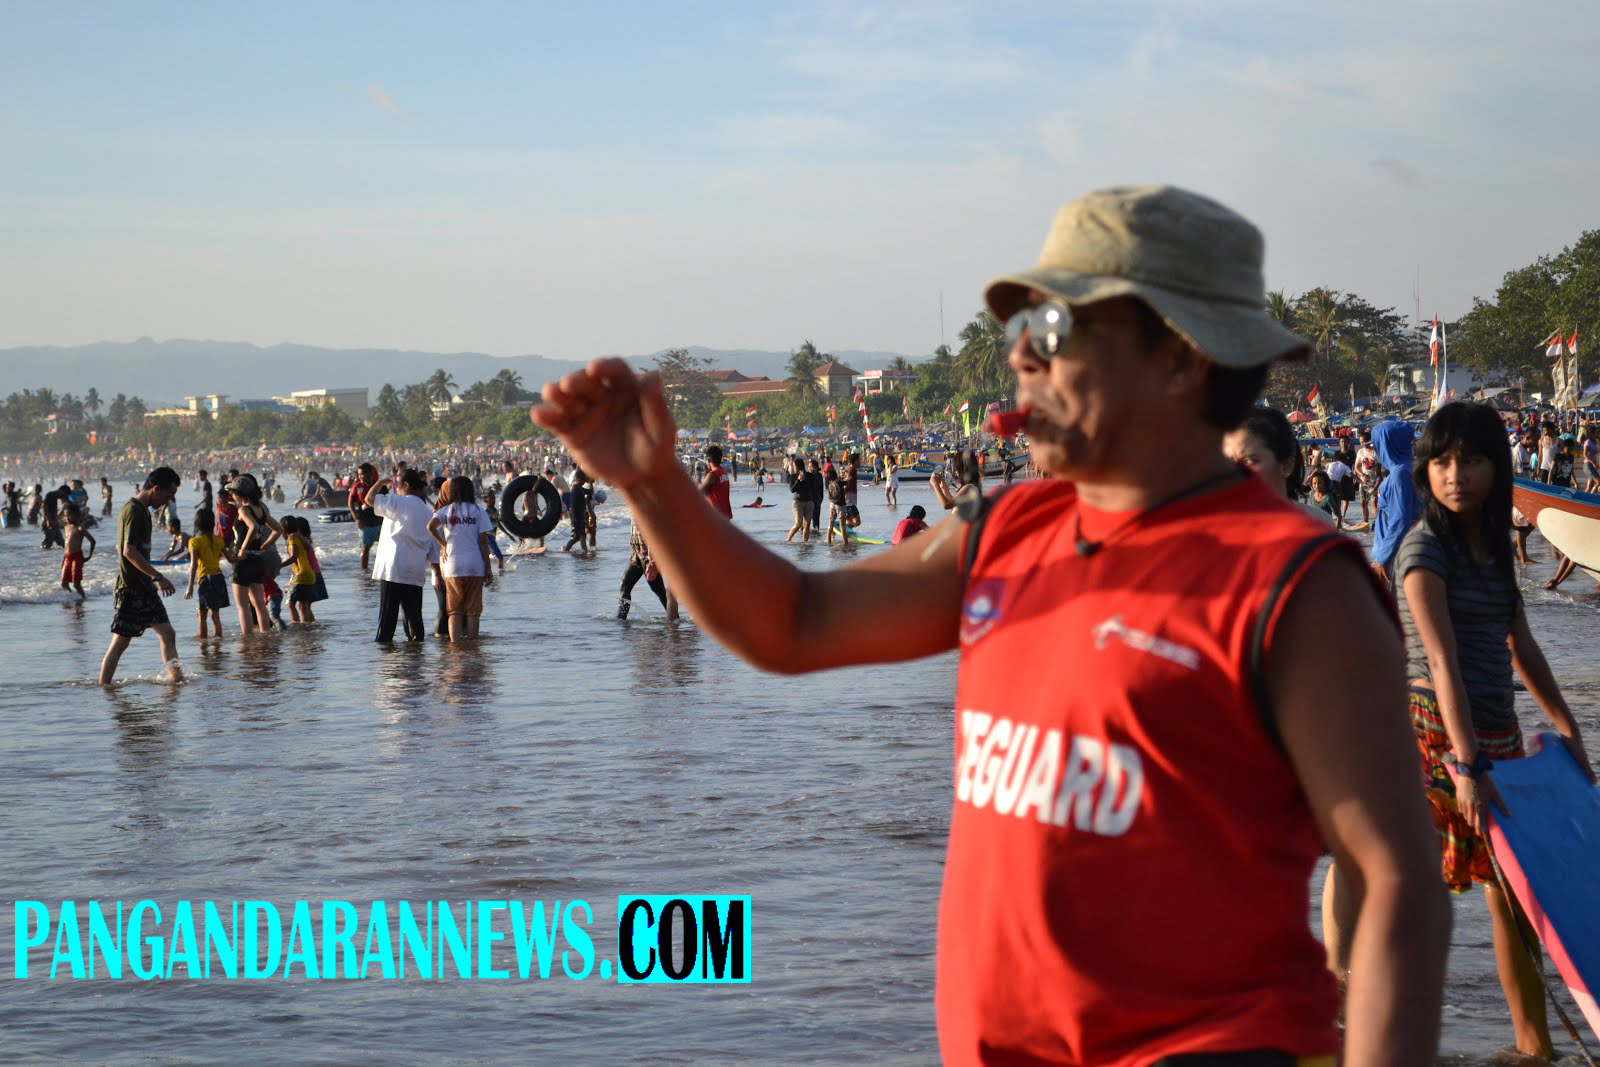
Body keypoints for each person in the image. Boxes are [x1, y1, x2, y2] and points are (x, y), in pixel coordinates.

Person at [531, 184, 1449, 1067]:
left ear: (1181, 357)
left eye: (1053, 330)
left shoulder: (1298, 587)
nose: (1020, 360)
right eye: (1019, 332)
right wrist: (651, 483)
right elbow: (793, 623)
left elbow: (1396, 885)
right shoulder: (1007, 531)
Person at [1397, 402, 1593, 1062]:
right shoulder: (1424, 548)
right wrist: (1468, 763)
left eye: (1473, 460)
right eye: (1443, 462)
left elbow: (1522, 645)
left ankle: (1533, 1046)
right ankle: (1389, 1034)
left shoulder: (1491, 547)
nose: (1456, 475)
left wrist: (1567, 728)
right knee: (1420, 889)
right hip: (1435, 728)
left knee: (1513, 896)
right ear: (1427, 470)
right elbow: (1442, 659)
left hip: (1496, 727)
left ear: (1496, 468)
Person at [99, 467, 184, 685]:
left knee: (168, 634)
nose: (167, 501)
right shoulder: (134, 510)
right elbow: (128, 550)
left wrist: (151, 578)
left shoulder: (144, 511)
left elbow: (121, 546)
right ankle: (104, 687)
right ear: (155, 489)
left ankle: (176, 683)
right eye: (167, 495)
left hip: (144, 586)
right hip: (130, 587)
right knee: (121, 642)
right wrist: (158, 577)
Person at [369, 468, 434, 642]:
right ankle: (416, 652)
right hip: (415, 569)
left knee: (387, 618)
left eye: (396, 484)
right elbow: (432, 546)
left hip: (394, 567)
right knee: (414, 616)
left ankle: (385, 652)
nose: (394, 488)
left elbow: (369, 499)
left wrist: (380, 482)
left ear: (405, 485)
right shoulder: (427, 512)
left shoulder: (397, 501)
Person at [428, 475, 495, 641]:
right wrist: (488, 568)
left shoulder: (446, 510)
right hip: (475, 565)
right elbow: (483, 542)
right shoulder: (479, 511)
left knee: (454, 610)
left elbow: (430, 527)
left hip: (453, 565)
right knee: (473, 611)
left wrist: (443, 544)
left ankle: (455, 647)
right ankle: (472, 647)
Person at [227, 475, 283, 634]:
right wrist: (264, 546)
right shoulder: (260, 510)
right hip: (257, 560)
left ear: (238, 494)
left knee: (242, 606)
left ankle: (247, 639)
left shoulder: (243, 509)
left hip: (243, 561)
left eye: (232, 493)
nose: (231, 496)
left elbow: (253, 527)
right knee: (259, 603)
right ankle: (265, 634)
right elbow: (278, 529)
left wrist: (243, 548)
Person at [1370, 420, 1422, 589]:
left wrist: (1382, 559)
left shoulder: (1399, 475)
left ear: (1386, 446)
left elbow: (1400, 519)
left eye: (1377, 445)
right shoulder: (1410, 468)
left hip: (1395, 554)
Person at [183, 506, 234, 638]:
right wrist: (241, 556)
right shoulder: (219, 540)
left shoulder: (194, 542)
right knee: (215, 616)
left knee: (202, 615)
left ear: (197, 523)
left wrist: (190, 587)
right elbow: (230, 559)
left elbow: (194, 565)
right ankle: (218, 644)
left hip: (205, 580)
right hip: (218, 578)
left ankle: (203, 645)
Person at [618, 520, 672, 619]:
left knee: (659, 590)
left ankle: (674, 619)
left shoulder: (648, 510)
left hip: (648, 556)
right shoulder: (635, 510)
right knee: (625, 586)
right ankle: (621, 620)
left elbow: (654, 530)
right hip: (636, 555)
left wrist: (653, 561)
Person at [283, 516, 318, 623]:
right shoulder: (300, 538)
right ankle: (308, 626)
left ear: (284, 530)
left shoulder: (292, 539)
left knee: (290, 604)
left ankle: (299, 627)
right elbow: (309, 547)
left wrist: (279, 565)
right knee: (304, 604)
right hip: (309, 574)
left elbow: (294, 557)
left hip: (301, 576)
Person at [349, 462, 384, 571]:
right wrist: (356, 518)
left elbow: (387, 503)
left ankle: (383, 570)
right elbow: (350, 502)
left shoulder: (380, 486)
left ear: (370, 473)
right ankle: (364, 572)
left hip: (380, 523)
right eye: (359, 474)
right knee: (365, 548)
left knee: (384, 548)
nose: (360, 477)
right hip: (365, 524)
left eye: (362, 474)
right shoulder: (357, 486)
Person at [60, 503, 96, 598]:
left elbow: (92, 541)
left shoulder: (80, 527)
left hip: (77, 556)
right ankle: (74, 597)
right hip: (67, 557)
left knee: (76, 583)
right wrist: (64, 559)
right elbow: (66, 545)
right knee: (64, 583)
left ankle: (83, 598)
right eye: (65, 516)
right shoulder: (67, 527)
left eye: (69, 515)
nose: (67, 518)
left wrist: (89, 556)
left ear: (76, 515)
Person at [1354, 430, 1381, 526]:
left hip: (1374, 483)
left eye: (1364, 441)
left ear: (1369, 440)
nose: (1362, 443)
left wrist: (1377, 482)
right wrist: (1362, 474)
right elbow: (1356, 467)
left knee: (1373, 504)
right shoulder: (1360, 452)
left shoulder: (1375, 453)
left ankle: (1377, 523)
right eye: (1360, 442)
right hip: (1363, 482)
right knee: (1363, 502)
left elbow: (1379, 471)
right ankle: (1365, 523)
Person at [564, 469, 594, 553]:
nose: (584, 481)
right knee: (576, 536)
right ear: (579, 479)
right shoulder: (575, 490)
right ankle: (565, 550)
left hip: (580, 516)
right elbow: (572, 507)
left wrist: (590, 483)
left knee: (583, 535)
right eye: (583, 479)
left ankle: (585, 551)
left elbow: (590, 492)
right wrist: (575, 520)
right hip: (576, 516)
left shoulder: (580, 488)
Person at [701, 445, 733, 519]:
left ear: (709, 460)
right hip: (725, 516)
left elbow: (697, 494)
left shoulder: (712, 475)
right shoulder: (723, 472)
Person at [786, 454, 813, 543]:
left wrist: (804, 479)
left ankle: (805, 543)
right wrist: (799, 480)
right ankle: (788, 540)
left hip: (809, 501)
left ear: (799, 466)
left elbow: (811, 487)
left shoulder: (808, 475)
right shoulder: (793, 476)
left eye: (794, 466)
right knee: (798, 524)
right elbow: (792, 490)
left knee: (807, 524)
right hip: (798, 502)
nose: (794, 468)